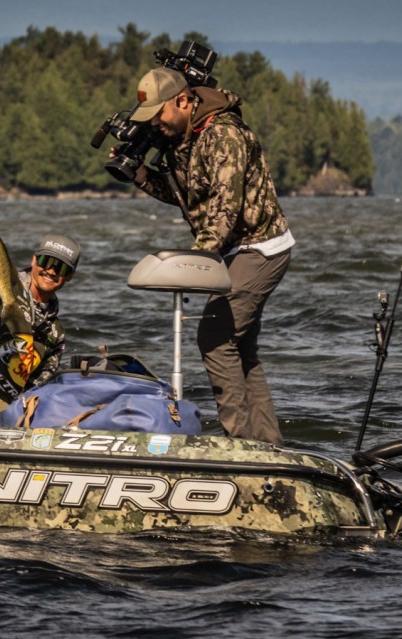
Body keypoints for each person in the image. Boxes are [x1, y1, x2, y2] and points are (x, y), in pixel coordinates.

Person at [122, 67, 294, 446]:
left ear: (183, 100)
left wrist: (194, 262)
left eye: (158, 114)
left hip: (260, 246)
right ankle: (267, 445)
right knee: (240, 349)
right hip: (234, 249)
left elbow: (224, 209)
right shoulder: (187, 136)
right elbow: (187, 195)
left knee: (215, 339)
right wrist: (140, 176)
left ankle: (239, 443)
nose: (155, 125)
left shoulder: (224, 134)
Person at [0, 227, 81, 417]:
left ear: (69, 276)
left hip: (9, 406)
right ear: (34, 260)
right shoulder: (6, 285)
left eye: (60, 267)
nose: (51, 270)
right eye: (46, 261)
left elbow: (40, 385)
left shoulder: (56, 332)